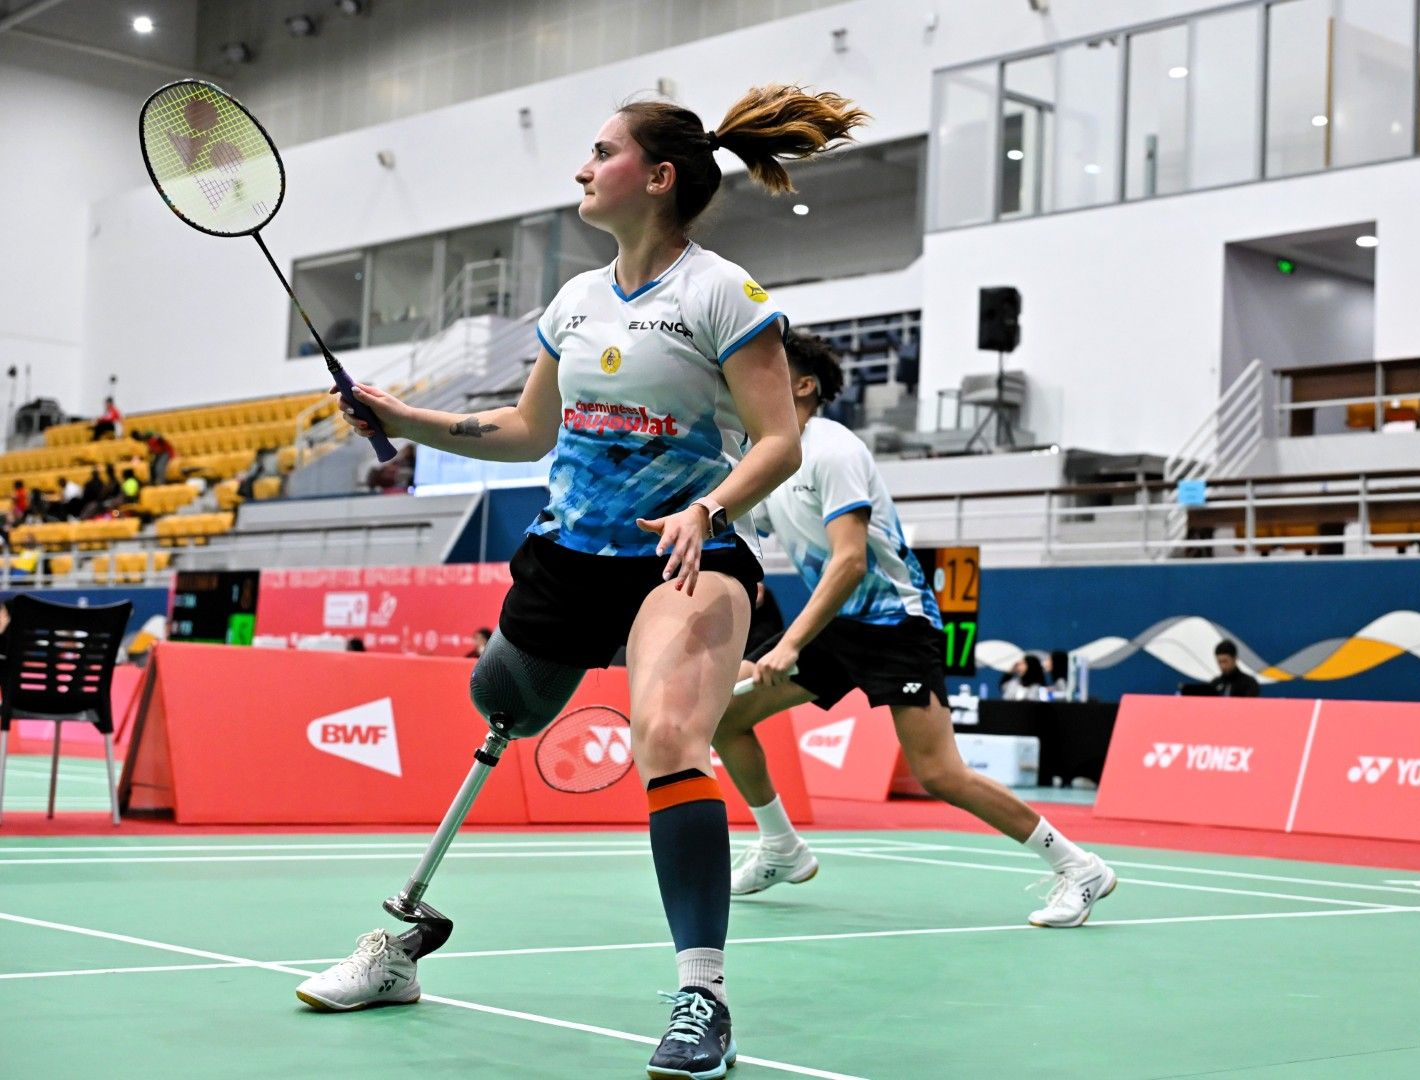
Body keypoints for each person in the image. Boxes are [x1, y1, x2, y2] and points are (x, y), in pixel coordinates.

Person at [295, 85, 865, 1077]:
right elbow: (530, 430)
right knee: (501, 710)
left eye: (602, 152)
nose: (582, 168)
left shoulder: (722, 293)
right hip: (567, 558)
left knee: (669, 737)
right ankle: (403, 946)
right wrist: (404, 417)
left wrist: (708, 508)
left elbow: (778, 439)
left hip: (682, 555)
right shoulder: (574, 301)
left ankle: (702, 997)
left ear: (658, 176)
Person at [712, 330, 1115, 932]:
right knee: (726, 716)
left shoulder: (833, 451)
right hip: (837, 624)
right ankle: (781, 847)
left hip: (895, 625)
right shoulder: (772, 457)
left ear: (804, 386)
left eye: (772, 366)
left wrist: (790, 643)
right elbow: (743, 527)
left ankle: (1079, 867)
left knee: (939, 773)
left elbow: (850, 561)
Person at [1193, 639, 1260, 697]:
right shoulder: (1214, 684)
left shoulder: (1249, 684)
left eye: (1225, 661)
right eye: (1219, 662)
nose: (1223, 666)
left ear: (1234, 659)